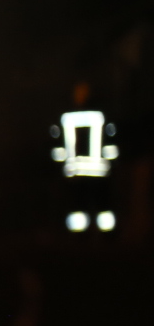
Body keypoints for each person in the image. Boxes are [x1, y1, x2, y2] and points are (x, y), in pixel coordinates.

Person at [50, 81, 120, 234]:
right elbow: (111, 140)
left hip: (76, 171)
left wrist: (58, 163)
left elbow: (57, 144)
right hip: (97, 171)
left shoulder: (66, 116)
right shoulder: (101, 115)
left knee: (83, 203)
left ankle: (89, 234)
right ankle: (100, 233)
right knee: (94, 202)